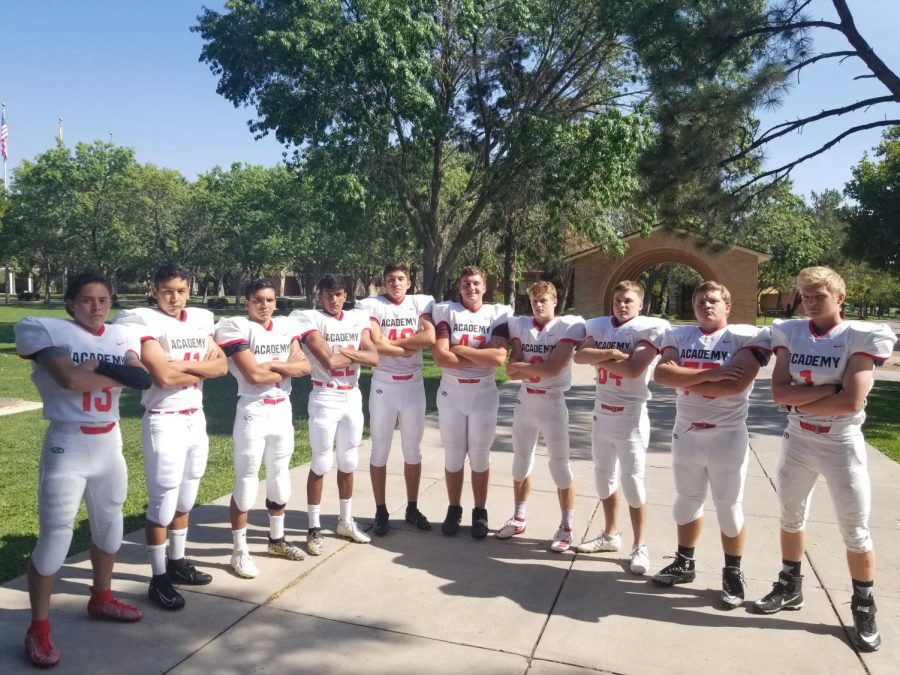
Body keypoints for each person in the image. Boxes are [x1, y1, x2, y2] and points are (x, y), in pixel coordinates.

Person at [751, 266, 896, 652]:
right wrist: (828, 387)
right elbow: (778, 394)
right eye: (806, 295)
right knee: (790, 515)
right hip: (798, 437)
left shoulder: (859, 335)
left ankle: (863, 604)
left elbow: (851, 401)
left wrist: (812, 394)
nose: (811, 302)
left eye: (819, 295)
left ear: (839, 297)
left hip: (840, 442)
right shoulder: (790, 332)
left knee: (855, 527)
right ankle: (790, 585)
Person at [15, 272, 152, 667]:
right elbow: (70, 379)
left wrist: (99, 367)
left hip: (109, 443)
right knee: (55, 539)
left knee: (110, 530)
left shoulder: (121, 335)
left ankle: (102, 598)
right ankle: (38, 628)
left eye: (104, 299)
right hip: (68, 442)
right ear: (70, 303)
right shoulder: (43, 329)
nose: (96, 307)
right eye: (87, 300)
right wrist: (112, 371)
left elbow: (142, 377)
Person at [649, 281, 770, 609]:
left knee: (729, 509)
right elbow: (662, 376)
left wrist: (689, 377)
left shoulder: (745, 336)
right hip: (687, 431)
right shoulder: (679, 335)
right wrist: (716, 372)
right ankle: (684, 563)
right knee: (686, 502)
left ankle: (733, 570)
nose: (707, 305)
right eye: (701, 300)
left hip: (726, 434)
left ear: (727, 305)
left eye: (714, 300)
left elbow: (735, 385)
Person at [114, 263, 228, 611]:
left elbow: (222, 367)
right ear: (154, 290)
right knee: (163, 499)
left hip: (196, 416)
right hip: (164, 418)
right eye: (167, 291)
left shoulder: (199, 319)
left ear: (189, 291)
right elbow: (160, 378)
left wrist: (175, 366)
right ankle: (158, 575)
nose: (174, 297)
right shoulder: (143, 321)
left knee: (187, 494)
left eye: (180, 290)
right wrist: (192, 369)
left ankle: (177, 561)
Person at [214, 279, 311, 579]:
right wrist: (284, 365)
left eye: (269, 299)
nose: (265, 305)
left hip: (282, 407)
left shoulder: (284, 327)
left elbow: (305, 367)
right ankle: (239, 551)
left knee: (280, 476)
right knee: (246, 480)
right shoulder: (236, 327)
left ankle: (276, 540)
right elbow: (254, 375)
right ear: (247, 302)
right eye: (258, 300)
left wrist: (273, 365)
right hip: (253, 410)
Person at [572, 281, 670, 574]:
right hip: (602, 413)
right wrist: (614, 353)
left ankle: (640, 545)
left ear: (641, 304)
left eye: (628, 300)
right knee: (603, 478)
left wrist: (600, 357)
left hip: (631, 415)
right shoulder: (599, 326)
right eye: (617, 300)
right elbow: (579, 356)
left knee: (633, 483)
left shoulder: (648, 328)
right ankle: (610, 535)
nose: (622, 305)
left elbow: (633, 369)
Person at [291, 274, 379, 555]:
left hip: (351, 394)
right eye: (328, 294)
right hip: (325, 394)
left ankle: (345, 519)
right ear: (320, 295)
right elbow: (327, 362)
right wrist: (352, 353)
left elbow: (375, 357)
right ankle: (314, 527)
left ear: (346, 295)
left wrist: (340, 349)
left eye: (339, 294)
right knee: (320, 462)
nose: (333, 299)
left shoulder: (356, 319)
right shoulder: (310, 319)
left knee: (349, 459)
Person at [498, 281, 584, 552]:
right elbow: (510, 373)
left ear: (555, 301)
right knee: (520, 462)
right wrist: (529, 368)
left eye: (544, 300)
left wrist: (524, 367)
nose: (538, 304)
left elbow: (553, 369)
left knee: (559, 466)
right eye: (534, 300)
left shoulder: (567, 327)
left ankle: (567, 525)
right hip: (526, 401)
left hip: (552, 402)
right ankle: (519, 516)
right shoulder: (522, 326)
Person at [431, 265, 512, 538]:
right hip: (452, 392)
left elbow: (499, 358)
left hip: (483, 392)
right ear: (460, 287)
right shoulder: (447, 312)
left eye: (476, 283)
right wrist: (480, 354)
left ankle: (480, 511)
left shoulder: (497, 314)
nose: (471, 288)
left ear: (485, 286)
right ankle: (454, 508)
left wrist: (462, 350)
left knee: (479, 455)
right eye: (466, 283)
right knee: (453, 455)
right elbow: (440, 357)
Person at [355, 263, 435, 536]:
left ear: (410, 282)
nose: (396, 283)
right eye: (390, 279)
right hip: (384, 386)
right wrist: (408, 346)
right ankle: (381, 509)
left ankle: (412, 507)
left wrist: (395, 348)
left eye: (401, 279)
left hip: (413, 385)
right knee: (380, 449)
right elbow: (375, 344)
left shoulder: (419, 303)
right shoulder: (373, 306)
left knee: (413, 450)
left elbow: (430, 336)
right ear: (383, 283)